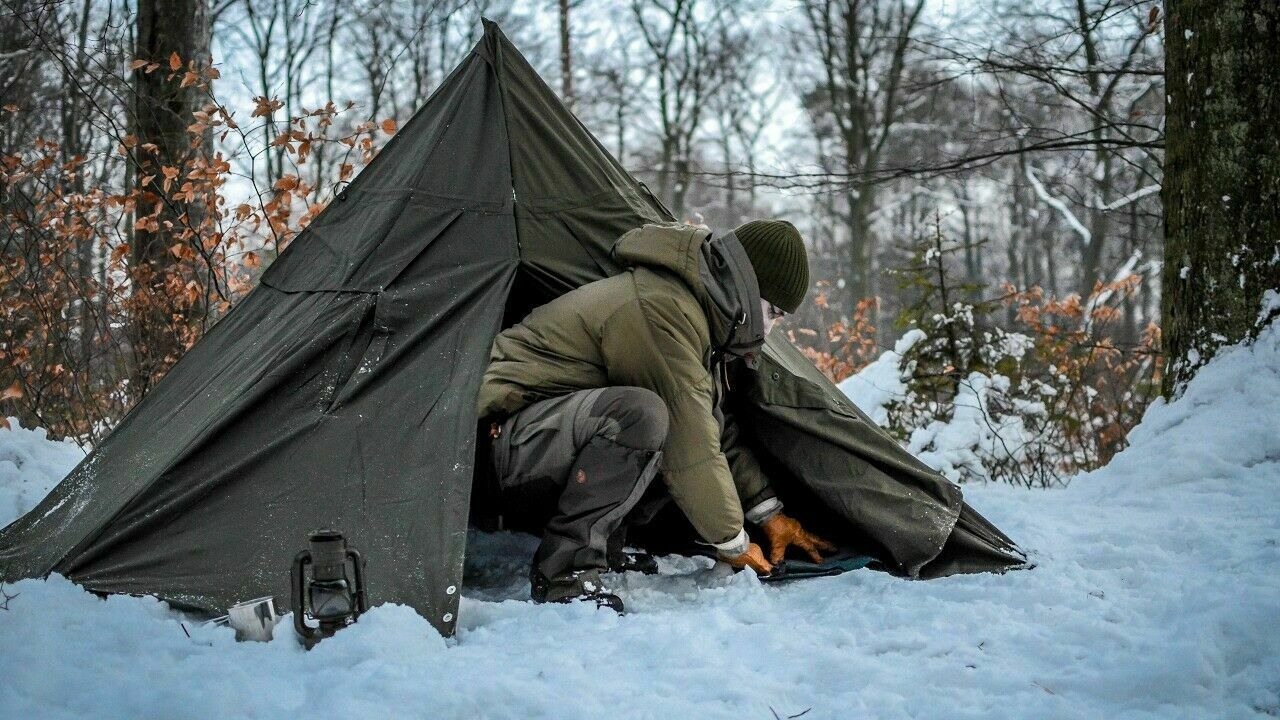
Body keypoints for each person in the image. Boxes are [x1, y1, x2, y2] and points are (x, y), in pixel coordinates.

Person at [475, 220, 834, 612]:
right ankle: (564, 574)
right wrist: (734, 543)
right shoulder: (659, 308)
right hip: (490, 446)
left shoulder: (696, 314)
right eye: (772, 312)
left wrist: (768, 513)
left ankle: (604, 551)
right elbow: (690, 442)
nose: (770, 329)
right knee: (645, 417)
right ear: (745, 289)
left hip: (536, 439)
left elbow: (712, 429)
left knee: (660, 419)